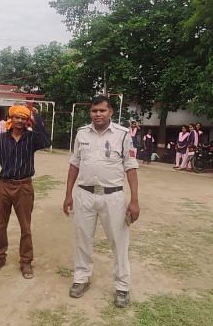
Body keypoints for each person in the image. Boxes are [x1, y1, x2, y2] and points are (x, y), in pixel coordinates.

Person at [63, 95, 139, 308]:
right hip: (84, 195)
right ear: (90, 112)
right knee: (82, 239)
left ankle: (122, 286)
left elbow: (131, 166)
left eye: (102, 111)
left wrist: (134, 200)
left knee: (119, 242)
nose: (98, 114)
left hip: (113, 196)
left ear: (111, 112)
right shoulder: (81, 134)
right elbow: (74, 164)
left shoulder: (122, 135)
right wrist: (68, 194)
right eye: (94, 111)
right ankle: (81, 279)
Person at [0, 105, 51, 279]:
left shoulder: (32, 138)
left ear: (27, 120)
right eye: (17, 117)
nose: (20, 121)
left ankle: (26, 262)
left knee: (25, 227)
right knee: (1, 225)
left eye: (23, 118)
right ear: (11, 118)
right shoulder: (3, 139)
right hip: (4, 186)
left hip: (24, 187)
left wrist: (37, 120)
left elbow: (46, 142)